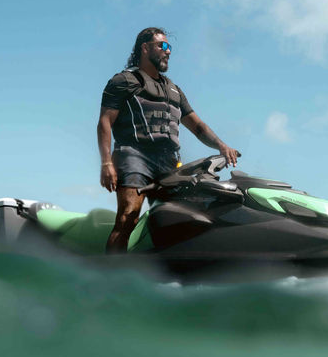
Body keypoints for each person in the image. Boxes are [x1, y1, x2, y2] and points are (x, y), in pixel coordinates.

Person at [97, 27, 240, 253]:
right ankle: (109, 277)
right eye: (162, 46)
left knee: (188, 217)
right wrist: (106, 163)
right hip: (134, 156)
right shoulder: (123, 80)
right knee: (128, 217)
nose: (168, 51)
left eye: (169, 47)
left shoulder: (174, 90)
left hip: (169, 163)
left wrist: (221, 145)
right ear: (145, 48)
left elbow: (198, 126)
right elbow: (105, 122)